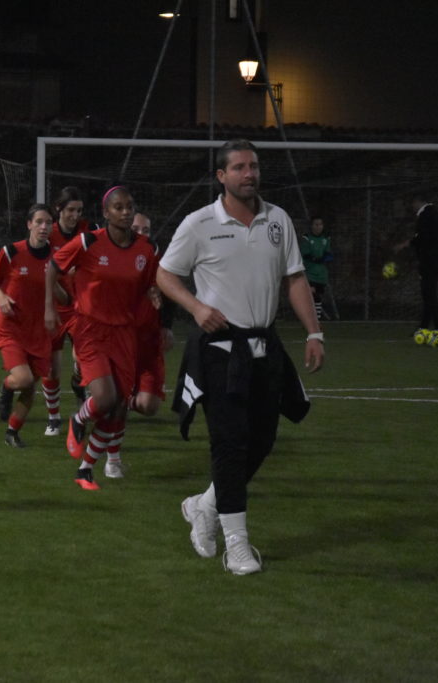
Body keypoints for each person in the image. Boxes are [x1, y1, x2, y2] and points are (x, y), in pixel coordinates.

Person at [156, 139, 324, 576]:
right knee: (229, 443)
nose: (250, 174)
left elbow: (295, 278)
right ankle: (238, 545)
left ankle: (204, 505)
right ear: (221, 176)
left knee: (263, 439)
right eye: (240, 167)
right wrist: (196, 308)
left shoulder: (278, 219)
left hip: (264, 344)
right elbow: (164, 273)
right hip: (218, 347)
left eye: (254, 166)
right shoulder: (199, 224)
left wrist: (314, 332)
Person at [45, 185, 158, 491]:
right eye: (118, 208)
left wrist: (155, 296)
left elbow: (150, 285)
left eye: (129, 206)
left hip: (125, 333)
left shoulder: (147, 250)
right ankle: (78, 419)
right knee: (105, 398)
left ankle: (86, 470)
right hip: (91, 328)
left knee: (119, 405)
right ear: (106, 213)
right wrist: (49, 310)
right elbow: (52, 268)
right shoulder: (88, 241)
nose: (125, 212)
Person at [108, 211, 175, 479]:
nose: (141, 232)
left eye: (146, 229)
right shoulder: (115, 257)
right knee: (118, 399)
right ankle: (113, 460)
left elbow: (169, 292)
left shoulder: (159, 259)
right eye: (136, 228)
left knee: (149, 406)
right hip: (122, 340)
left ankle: (111, 402)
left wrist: (167, 326)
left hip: (149, 344)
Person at [0, 204, 55, 448]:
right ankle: (7, 387)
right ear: (29, 224)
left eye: (48, 222)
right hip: (11, 325)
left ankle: (12, 433)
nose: (44, 227)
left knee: (30, 385)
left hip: (38, 330)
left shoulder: (56, 256)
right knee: (23, 379)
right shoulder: (12, 251)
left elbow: (63, 288)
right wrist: (1, 297)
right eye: (39, 222)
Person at [41, 186, 92, 436]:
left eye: (79, 210)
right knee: (51, 368)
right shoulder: (46, 233)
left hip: (80, 308)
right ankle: (53, 417)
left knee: (83, 364)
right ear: (58, 209)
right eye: (71, 209)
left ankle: (79, 389)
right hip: (53, 308)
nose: (75, 215)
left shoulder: (87, 232)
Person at [394, 193, 438, 338]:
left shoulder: (425, 215)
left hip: (429, 262)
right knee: (428, 294)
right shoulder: (437, 213)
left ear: (417, 202)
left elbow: (423, 237)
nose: (411, 207)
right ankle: (423, 328)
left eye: (412, 203)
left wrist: (406, 244)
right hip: (436, 261)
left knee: (429, 294)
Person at [299, 216, 332, 320]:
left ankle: (316, 320)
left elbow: (329, 254)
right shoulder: (306, 237)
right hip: (309, 273)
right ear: (312, 226)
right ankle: (311, 319)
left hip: (321, 274)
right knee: (312, 296)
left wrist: (324, 258)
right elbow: (306, 254)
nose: (318, 227)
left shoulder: (326, 238)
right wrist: (315, 259)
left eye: (320, 224)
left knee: (318, 297)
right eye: (316, 224)